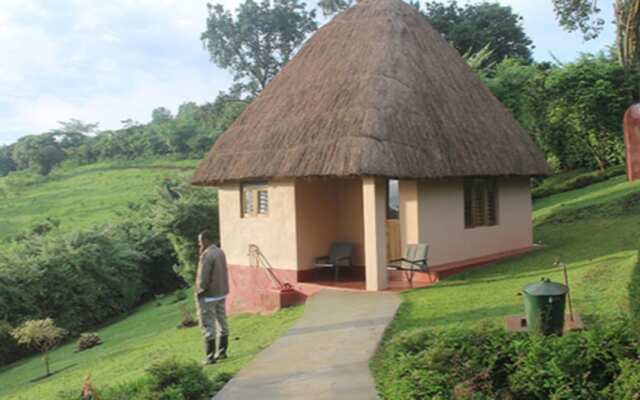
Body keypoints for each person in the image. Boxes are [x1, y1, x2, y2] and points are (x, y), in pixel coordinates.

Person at [195, 230, 229, 365]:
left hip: (209, 295)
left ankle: (210, 357)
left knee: (208, 325)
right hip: (221, 292)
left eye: (200, 241)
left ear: (205, 240)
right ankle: (222, 352)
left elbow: (203, 278)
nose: (199, 244)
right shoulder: (220, 252)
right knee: (222, 322)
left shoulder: (207, 255)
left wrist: (199, 291)